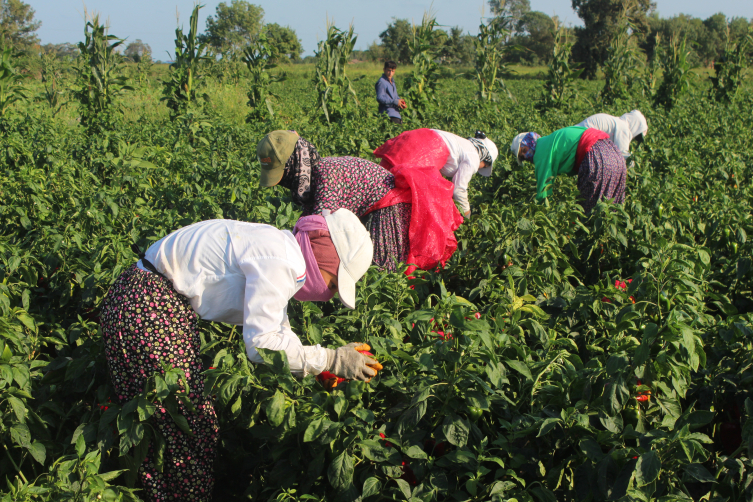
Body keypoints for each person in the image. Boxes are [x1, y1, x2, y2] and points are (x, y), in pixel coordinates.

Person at [99, 209, 380, 502]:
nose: (328, 294)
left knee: (157, 422)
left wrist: (317, 367)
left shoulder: (277, 247)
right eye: (333, 283)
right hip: (151, 308)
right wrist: (331, 359)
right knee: (189, 427)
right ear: (320, 257)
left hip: (135, 297)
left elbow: (277, 329)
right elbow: (262, 344)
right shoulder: (281, 261)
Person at [256, 131, 462, 275]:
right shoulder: (314, 178)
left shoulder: (326, 176)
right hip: (378, 209)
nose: (283, 182)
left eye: (283, 175)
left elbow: (318, 233)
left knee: (382, 273)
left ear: (295, 164)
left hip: (390, 210)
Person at [373, 128, 499, 219]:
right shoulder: (474, 157)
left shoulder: (464, 144)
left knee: (382, 181)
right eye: (485, 166)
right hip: (427, 149)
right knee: (407, 197)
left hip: (416, 137)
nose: (480, 168)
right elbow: (459, 189)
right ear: (485, 159)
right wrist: (467, 214)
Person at [510, 126, 627, 213]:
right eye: (522, 157)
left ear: (530, 141)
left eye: (524, 151)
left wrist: (539, 215)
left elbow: (543, 192)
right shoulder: (550, 139)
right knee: (612, 209)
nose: (526, 157)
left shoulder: (541, 151)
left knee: (587, 213)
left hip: (596, 157)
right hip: (615, 154)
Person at [575, 110, 648, 159]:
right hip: (580, 140)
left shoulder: (617, 123)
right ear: (635, 126)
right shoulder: (623, 128)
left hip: (575, 135)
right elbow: (623, 155)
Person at [375, 60, 407, 124]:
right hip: (388, 114)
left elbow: (395, 97)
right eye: (388, 70)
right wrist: (395, 101)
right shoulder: (382, 82)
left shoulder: (392, 81)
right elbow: (380, 98)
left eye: (393, 71)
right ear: (384, 70)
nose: (390, 73)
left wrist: (400, 102)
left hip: (395, 113)